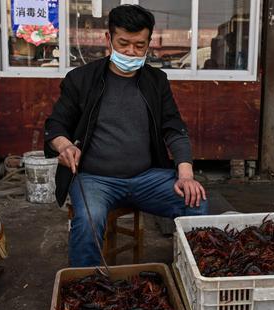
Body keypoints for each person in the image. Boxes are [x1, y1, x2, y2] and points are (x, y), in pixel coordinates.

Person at [44, 5, 209, 267]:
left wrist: (186, 174)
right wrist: (63, 146)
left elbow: (174, 128)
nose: (131, 52)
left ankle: (194, 278)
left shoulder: (156, 81)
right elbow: (56, 125)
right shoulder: (81, 79)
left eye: (139, 45)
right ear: (108, 39)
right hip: (95, 179)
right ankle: (85, 287)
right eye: (123, 44)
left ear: (148, 43)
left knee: (195, 201)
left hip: (146, 178)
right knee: (88, 220)